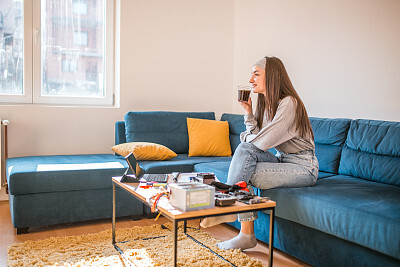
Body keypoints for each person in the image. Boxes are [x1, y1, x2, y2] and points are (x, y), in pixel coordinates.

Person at [200, 56, 319, 250]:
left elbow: (260, 143)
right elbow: (253, 140)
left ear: (271, 76)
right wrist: (248, 112)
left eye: (256, 74)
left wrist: (248, 138)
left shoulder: (290, 103)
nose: (250, 79)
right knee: (244, 162)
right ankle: (243, 229)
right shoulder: (267, 104)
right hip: (282, 160)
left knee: (244, 166)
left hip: (304, 167)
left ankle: (232, 211)